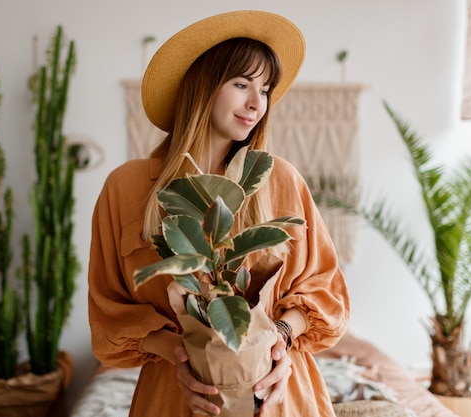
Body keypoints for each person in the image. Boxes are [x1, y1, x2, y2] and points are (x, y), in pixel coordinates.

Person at [88, 10, 350, 417]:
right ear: (202, 87)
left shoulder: (280, 180)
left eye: (265, 89)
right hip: (175, 399)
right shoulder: (126, 188)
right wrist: (180, 357)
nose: (256, 103)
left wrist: (280, 338)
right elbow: (109, 314)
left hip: (280, 398)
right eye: (241, 83)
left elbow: (326, 290)